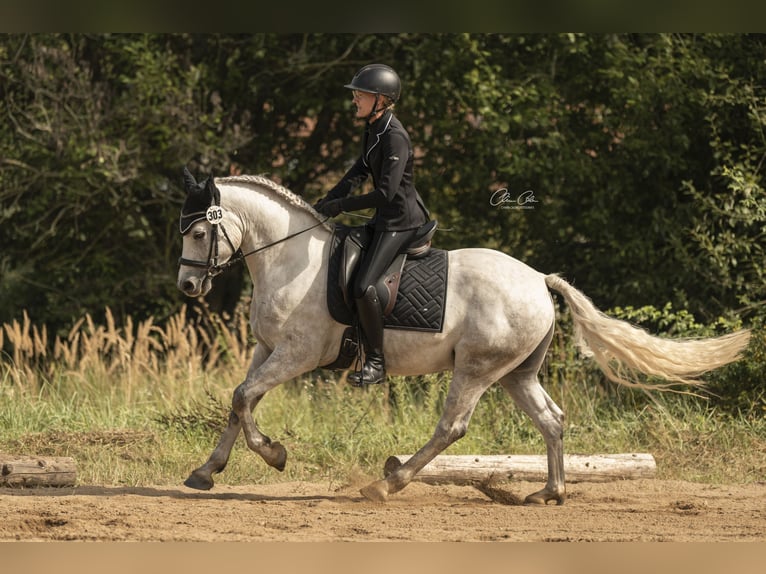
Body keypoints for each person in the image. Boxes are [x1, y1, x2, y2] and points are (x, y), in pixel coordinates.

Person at [315, 63, 430, 386]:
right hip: (384, 218)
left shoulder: (395, 137)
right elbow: (358, 171)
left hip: (401, 222)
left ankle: (377, 363)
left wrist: (342, 206)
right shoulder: (374, 128)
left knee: (363, 286)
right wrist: (325, 201)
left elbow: (385, 194)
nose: (354, 100)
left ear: (380, 99)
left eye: (360, 95)